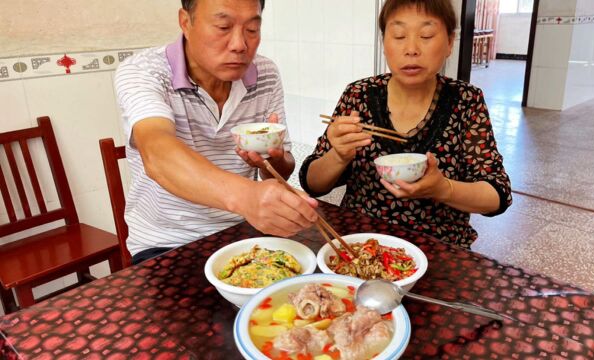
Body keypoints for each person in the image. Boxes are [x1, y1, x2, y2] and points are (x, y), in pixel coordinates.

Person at [114, 0, 318, 264]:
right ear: (186, 22)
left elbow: (280, 169)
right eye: (223, 26)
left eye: (252, 30)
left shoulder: (265, 73)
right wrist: (248, 196)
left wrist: (273, 161)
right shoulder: (144, 72)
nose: (240, 44)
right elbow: (158, 155)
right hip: (168, 243)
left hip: (242, 232)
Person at [299, 0, 512, 249]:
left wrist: (443, 189)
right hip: (361, 245)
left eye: (426, 35)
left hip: (439, 250)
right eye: (399, 36)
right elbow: (312, 183)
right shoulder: (359, 94)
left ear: (450, 43)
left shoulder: (466, 100)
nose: (411, 49)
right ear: (384, 42)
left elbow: (497, 195)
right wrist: (339, 155)